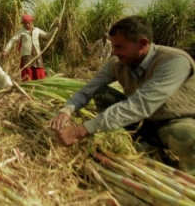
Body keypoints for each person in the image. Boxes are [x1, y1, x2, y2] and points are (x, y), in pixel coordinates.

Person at [50, 15, 195, 174]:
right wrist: (66, 110)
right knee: (102, 93)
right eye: (113, 46)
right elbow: (88, 89)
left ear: (142, 43)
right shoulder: (117, 63)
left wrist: (79, 131)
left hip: (173, 121)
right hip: (142, 122)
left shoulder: (174, 61)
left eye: (120, 47)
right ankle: (141, 143)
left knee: (184, 133)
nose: (115, 52)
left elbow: (141, 105)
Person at [1, 14, 56, 81]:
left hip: (37, 54)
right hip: (26, 55)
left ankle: (40, 86)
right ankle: (28, 87)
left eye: (28, 23)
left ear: (31, 22)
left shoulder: (37, 30)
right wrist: (5, 50)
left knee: (39, 70)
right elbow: (12, 40)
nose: (27, 25)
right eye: (25, 23)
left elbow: (47, 36)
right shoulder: (21, 31)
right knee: (27, 71)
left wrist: (55, 28)